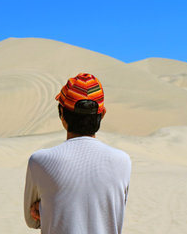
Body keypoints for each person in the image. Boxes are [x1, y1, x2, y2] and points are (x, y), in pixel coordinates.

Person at [24, 73, 131, 234]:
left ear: (61, 113)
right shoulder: (123, 161)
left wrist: (44, 208)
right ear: (101, 115)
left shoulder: (39, 161)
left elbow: (32, 221)